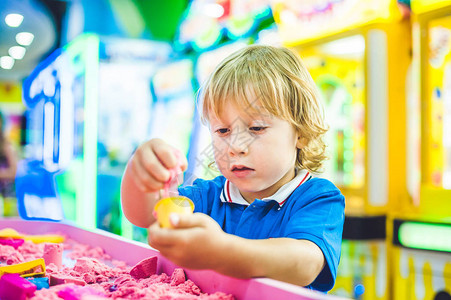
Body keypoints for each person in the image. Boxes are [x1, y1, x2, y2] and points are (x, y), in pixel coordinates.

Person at [121, 45, 345, 292]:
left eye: (257, 128)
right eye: (223, 131)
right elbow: (145, 214)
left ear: (300, 133)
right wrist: (139, 171)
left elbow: (305, 263)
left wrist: (222, 251)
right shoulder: (208, 196)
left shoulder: (317, 198)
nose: (235, 146)